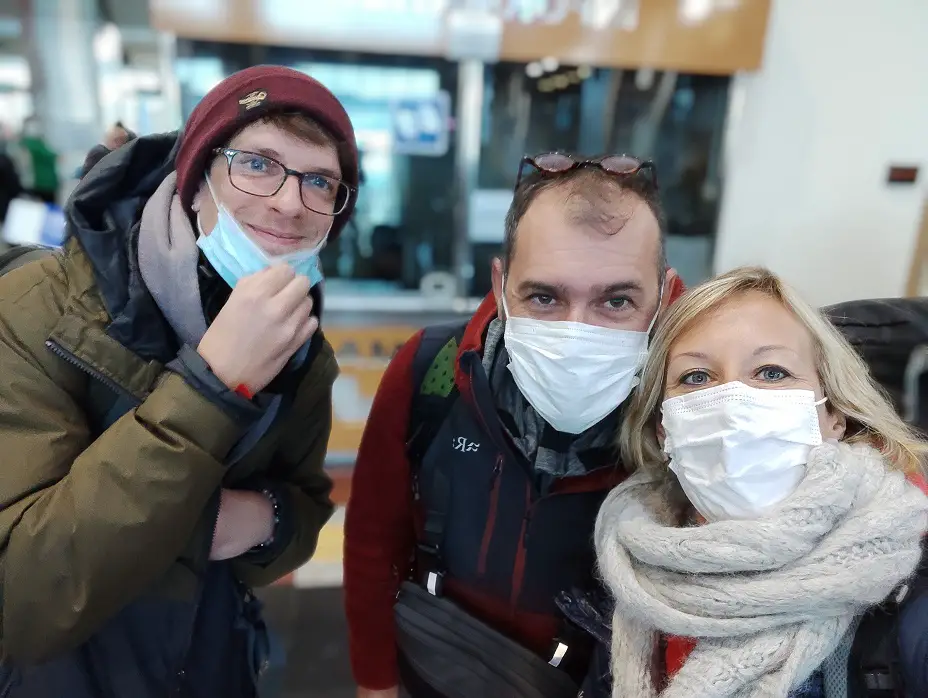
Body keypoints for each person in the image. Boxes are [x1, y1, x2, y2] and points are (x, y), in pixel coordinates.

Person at [0, 65, 359, 697]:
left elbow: (302, 511)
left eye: (319, 181)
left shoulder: (299, 345)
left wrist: (266, 521)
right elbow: (24, 603)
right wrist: (211, 387)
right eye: (257, 163)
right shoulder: (38, 307)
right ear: (194, 183)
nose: (287, 201)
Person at [344, 152, 686, 697]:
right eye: (544, 297)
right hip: (437, 667)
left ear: (664, 297)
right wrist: (375, 683)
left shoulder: (690, 414)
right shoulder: (429, 368)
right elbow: (371, 541)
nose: (577, 334)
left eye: (616, 300)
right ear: (502, 288)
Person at [594, 266, 928, 698]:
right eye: (696, 377)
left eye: (771, 372)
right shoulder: (624, 569)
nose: (733, 404)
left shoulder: (910, 588)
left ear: (833, 416)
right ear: (663, 428)